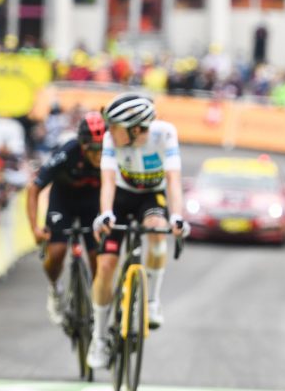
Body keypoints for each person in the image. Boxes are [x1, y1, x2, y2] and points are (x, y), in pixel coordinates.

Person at [86, 93, 189, 369]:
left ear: (134, 129)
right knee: (106, 265)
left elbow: (173, 180)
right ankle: (98, 338)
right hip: (120, 197)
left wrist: (177, 217)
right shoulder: (111, 140)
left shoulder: (165, 134)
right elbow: (107, 181)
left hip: (151, 198)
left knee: (158, 228)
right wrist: (105, 213)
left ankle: (152, 300)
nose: (110, 132)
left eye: (115, 127)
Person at [27, 111, 105, 325]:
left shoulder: (111, 157)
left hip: (92, 205)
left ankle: (98, 303)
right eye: (94, 149)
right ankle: (55, 289)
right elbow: (34, 189)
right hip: (63, 202)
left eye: (103, 148)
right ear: (82, 145)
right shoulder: (68, 152)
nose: (99, 155)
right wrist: (35, 228)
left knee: (97, 257)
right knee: (58, 251)